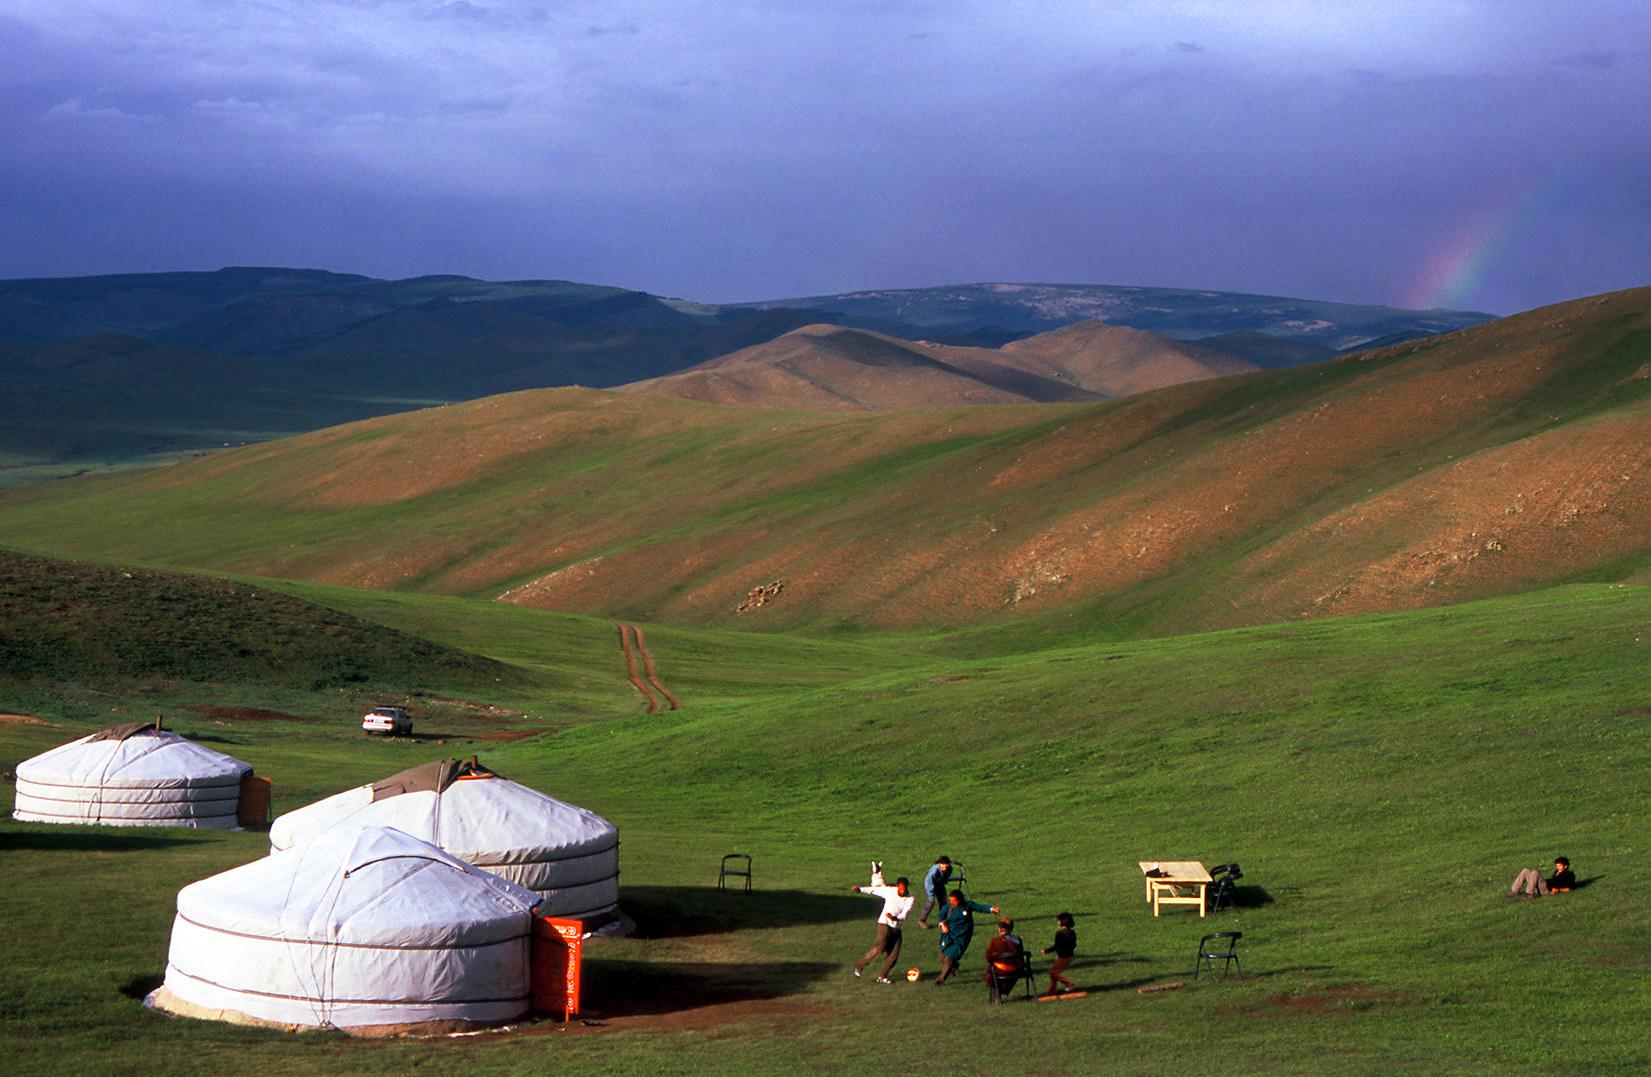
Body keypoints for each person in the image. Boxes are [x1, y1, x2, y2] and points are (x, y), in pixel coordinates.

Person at [851, 873, 915, 983]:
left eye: (904, 889)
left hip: (896, 928)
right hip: (884, 924)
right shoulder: (890, 891)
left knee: (894, 956)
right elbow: (875, 890)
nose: (902, 891)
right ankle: (859, 966)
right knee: (879, 948)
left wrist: (894, 917)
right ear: (897, 887)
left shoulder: (910, 899)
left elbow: (904, 914)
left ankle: (882, 977)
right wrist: (860, 889)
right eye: (900, 889)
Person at [934, 889, 1000, 985]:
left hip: (961, 938)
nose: (951, 903)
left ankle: (941, 979)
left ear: (960, 900)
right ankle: (954, 966)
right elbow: (941, 916)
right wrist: (942, 925)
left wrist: (991, 909)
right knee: (942, 957)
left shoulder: (967, 906)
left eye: (954, 901)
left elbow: (980, 907)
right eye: (950, 900)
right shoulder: (948, 907)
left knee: (949, 959)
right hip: (949, 935)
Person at [983, 917, 1027, 1002]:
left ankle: (997, 995)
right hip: (1017, 969)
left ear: (999, 929)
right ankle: (1003, 991)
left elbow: (988, 957)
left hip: (1001, 970)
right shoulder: (1018, 940)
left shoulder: (995, 941)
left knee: (990, 971)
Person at [1040, 912, 1077, 994]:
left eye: (1058, 920)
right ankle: (1051, 990)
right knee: (1052, 971)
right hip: (1070, 956)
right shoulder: (1072, 932)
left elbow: (1056, 946)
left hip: (1063, 957)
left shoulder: (1060, 933)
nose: (1058, 922)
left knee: (1053, 972)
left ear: (1061, 922)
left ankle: (1069, 984)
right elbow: (1074, 945)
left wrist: (1046, 951)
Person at [1509, 856, 1575, 898]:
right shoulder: (1557, 872)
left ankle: (1530, 894)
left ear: (1565, 866)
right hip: (1543, 885)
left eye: (1560, 866)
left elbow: (1570, 888)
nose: (1558, 867)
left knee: (1535, 872)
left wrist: (1558, 890)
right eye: (1557, 866)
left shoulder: (1568, 874)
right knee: (1526, 870)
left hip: (1546, 889)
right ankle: (1514, 891)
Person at [916, 855, 952, 929]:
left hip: (940, 885)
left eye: (946, 867)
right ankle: (922, 920)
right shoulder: (934, 872)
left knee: (943, 902)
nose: (944, 869)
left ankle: (943, 920)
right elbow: (928, 883)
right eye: (943, 867)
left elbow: (945, 877)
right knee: (930, 902)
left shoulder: (950, 869)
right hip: (930, 886)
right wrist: (931, 895)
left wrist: (942, 883)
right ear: (939, 864)